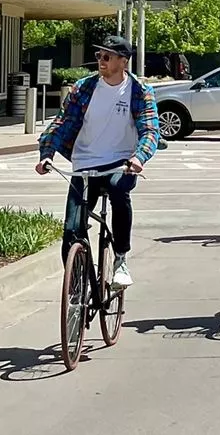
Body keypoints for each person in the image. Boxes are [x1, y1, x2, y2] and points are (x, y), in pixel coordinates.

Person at [36, 36, 159, 290]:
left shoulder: (139, 91)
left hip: (121, 163)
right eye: (99, 56)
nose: (101, 61)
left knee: (118, 190)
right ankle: (77, 287)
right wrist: (46, 153)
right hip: (84, 164)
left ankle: (121, 259)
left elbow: (150, 130)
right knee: (71, 230)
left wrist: (139, 158)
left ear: (123, 62)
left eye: (107, 57)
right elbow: (62, 122)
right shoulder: (83, 88)